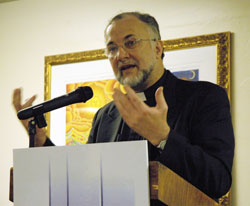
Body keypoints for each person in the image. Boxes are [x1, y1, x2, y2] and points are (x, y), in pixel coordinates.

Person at [12, 11, 234, 200]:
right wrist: (41, 140)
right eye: (112, 48)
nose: (121, 55)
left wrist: (163, 137)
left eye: (130, 43)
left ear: (158, 48)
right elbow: (82, 181)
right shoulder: (104, 115)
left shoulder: (205, 97)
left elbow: (219, 181)